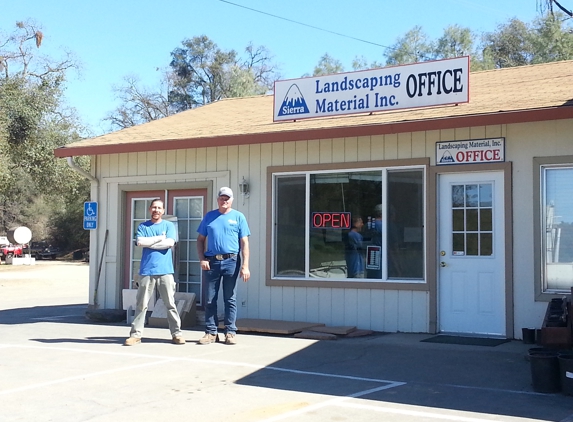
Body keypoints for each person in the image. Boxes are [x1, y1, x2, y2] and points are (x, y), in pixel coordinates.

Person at [124, 199, 185, 346]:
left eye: (159, 208)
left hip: (165, 271)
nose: (156, 210)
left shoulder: (169, 225)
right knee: (141, 304)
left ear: (163, 211)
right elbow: (140, 242)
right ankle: (135, 335)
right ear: (150, 209)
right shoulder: (143, 226)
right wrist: (159, 238)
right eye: (154, 207)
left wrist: (151, 242)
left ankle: (176, 334)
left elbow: (170, 243)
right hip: (146, 270)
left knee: (170, 303)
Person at [196, 187, 250, 345]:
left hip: (231, 261)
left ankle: (230, 332)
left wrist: (245, 265)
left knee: (230, 298)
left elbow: (245, 242)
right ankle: (211, 332)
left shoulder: (238, 217)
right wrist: (202, 258)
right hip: (211, 262)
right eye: (222, 198)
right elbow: (199, 239)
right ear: (217, 199)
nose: (224, 201)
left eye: (227, 198)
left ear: (232, 200)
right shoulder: (210, 217)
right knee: (210, 299)